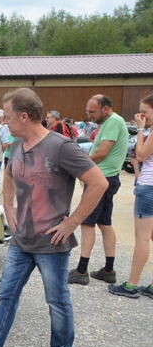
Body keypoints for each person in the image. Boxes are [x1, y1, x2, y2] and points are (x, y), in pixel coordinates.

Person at [0, 88, 107, 347]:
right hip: (22, 239)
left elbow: (98, 183)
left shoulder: (61, 147)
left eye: (8, 117)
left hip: (52, 241)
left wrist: (72, 223)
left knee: (57, 300)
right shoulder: (18, 144)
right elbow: (9, 174)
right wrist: (7, 206)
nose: (5, 122)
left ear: (25, 116)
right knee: (7, 295)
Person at [68, 94, 129, 286]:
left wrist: (79, 166)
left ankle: (81, 271)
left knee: (87, 224)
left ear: (105, 108)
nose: (89, 115)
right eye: (87, 111)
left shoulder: (112, 122)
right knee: (105, 224)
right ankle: (108, 270)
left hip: (100, 179)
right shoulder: (112, 122)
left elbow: (102, 153)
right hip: (109, 178)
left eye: (92, 111)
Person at [109, 95, 153, 298]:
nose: (141, 116)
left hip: (148, 188)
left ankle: (131, 284)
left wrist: (142, 128)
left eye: (145, 111)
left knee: (142, 238)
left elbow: (141, 155)